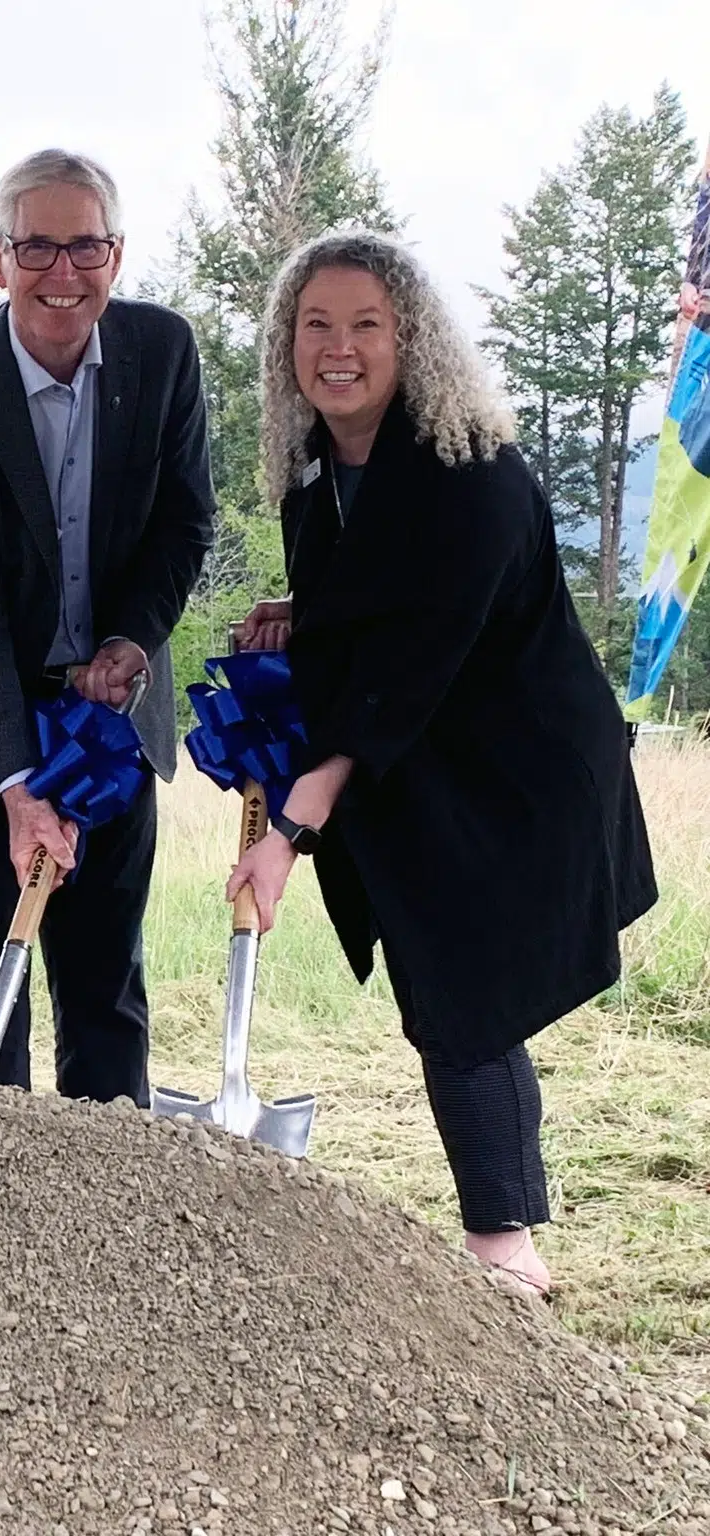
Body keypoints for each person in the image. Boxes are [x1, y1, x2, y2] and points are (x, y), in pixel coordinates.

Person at [229, 230, 657, 1299]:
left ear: (408, 340)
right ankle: (503, 1229)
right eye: (313, 325)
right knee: (449, 986)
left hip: (514, 770)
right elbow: (372, 613)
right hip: (422, 764)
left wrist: (289, 828)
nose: (336, 348)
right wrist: (303, 615)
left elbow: (411, 662)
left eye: (363, 325)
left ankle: (504, 1253)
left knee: (465, 989)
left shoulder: (468, 475)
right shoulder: (318, 472)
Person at [0, 149, 216, 1101]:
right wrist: (17, 782)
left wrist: (133, 639)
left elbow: (185, 522)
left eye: (85, 246)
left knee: (106, 984)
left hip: (109, 716)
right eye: (35, 248)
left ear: (116, 251)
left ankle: (105, 1227)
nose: (62, 273)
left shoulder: (162, 355)